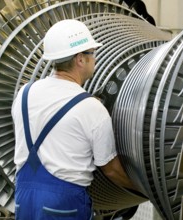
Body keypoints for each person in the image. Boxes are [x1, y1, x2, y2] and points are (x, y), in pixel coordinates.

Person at [12, 19, 136, 220]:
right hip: (64, 205)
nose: (94, 59)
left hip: (23, 199)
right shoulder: (91, 108)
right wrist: (143, 188)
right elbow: (111, 169)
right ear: (80, 59)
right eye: (92, 54)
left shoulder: (24, 93)